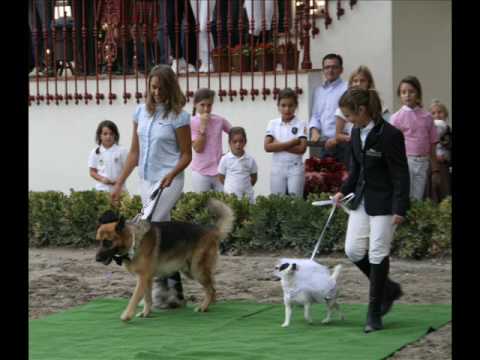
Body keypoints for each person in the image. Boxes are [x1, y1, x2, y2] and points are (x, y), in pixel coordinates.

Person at [111, 64, 192, 309]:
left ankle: (159, 286)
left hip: (170, 180)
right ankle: (174, 290)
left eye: (160, 87)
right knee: (159, 230)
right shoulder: (140, 113)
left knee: (150, 227)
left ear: (170, 87)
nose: (156, 92)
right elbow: (135, 153)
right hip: (146, 181)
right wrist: (119, 182)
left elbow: (187, 155)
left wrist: (171, 174)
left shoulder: (179, 116)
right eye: (152, 87)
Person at [332, 87, 410, 333]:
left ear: (362, 110)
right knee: (353, 250)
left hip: (385, 202)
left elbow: (400, 173)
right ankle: (388, 289)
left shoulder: (390, 135)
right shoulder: (355, 133)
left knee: (377, 252)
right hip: (362, 200)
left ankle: (374, 311)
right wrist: (342, 190)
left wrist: (400, 206)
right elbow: (355, 170)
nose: (348, 120)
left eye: (350, 115)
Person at [391, 76, 439, 201]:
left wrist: (435, 169)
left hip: (423, 161)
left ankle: (414, 220)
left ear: (418, 93)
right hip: (406, 161)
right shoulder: (396, 118)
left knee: (417, 197)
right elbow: (391, 145)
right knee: (405, 194)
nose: (407, 95)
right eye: (403, 92)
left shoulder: (427, 116)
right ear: (400, 95)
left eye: (411, 91)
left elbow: (432, 143)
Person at [335, 65, 391, 168]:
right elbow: (338, 135)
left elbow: (387, 127)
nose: (358, 84)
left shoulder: (378, 104)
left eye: (362, 81)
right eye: (355, 81)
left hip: (375, 148)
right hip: (353, 147)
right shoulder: (344, 105)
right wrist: (356, 138)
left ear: (369, 82)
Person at [265, 88, 307, 197]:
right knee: (277, 201)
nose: (287, 109)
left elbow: (302, 149)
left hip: (295, 167)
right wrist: (292, 142)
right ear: (278, 106)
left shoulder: (301, 124)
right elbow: (267, 147)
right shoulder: (272, 123)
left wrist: (277, 144)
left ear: (296, 106)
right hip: (277, 167)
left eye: (291, 105)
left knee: (295, 201)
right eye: (283, 105)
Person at [191, 88, 232, 193]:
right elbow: (198, 148)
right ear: (195, 104)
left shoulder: (219, 120)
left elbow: (234, 133)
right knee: (202, 205)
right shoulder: (192, 122)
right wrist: (203, 126)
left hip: (219, 171)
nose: (206, 109)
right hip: (201, 172)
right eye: (202, 105)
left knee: (225, 202)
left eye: (209, 105)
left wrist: (228, 154)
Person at [309, 54, 348, 161]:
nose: (330, 70)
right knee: (326, 176)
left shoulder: (348, 88)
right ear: (323, 70)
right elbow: (315, 116)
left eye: (334, 67)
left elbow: (351, 118)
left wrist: (337, 139)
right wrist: (314, 130)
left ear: (341, 70)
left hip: (343, 144)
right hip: (325, 144)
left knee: (345, 177)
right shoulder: (318, 91)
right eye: (327, 67)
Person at [218, 127, 258, 203]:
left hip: (247, 198)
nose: (238, 144)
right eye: (235, 142)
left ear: (245, 142)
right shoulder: (225, 159)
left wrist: (245, 187)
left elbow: (254, 177)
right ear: (230, 143)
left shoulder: (250, 160)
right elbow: (221, 177)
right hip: (230, 198)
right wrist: (229, 187)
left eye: (241, 141)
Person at [88, 120, 129, 193]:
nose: (108, 136)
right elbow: (92, 172)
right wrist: (102, 179)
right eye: (105, 134)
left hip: (119, 189)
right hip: (102, 190)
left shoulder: (122, 151)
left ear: (115, 135)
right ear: (100, 136)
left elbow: (127, 169)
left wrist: (119, 181)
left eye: (111, 134)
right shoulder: (95, 152)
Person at [427, 99, 451, 203]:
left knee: (445, 193)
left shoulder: (448, 130)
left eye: (440, 112)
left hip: (445, 166)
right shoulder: (427, 131)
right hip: (431, 166)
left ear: (446, 114)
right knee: (432, 193)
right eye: (433, 113)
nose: (437, 115)